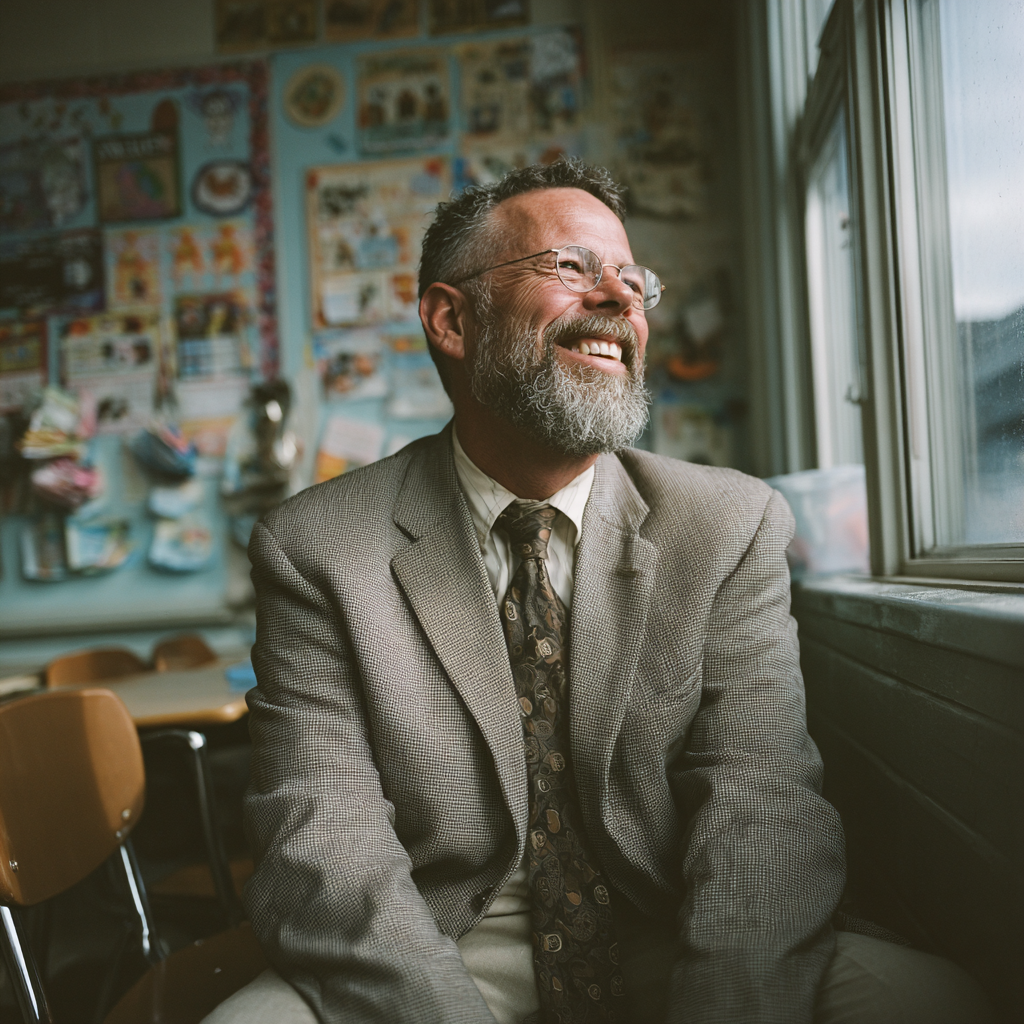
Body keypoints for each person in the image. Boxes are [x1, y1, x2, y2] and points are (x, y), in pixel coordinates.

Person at [204, 161, 991, 1024]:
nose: (622, 300)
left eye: (633, 279)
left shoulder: (727, 523)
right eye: (573, 268)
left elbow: (760, 801)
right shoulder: (317, 547)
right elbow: (323, 838)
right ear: (451, 319)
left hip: (675, 921)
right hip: (448, 943)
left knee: (940, 1001)